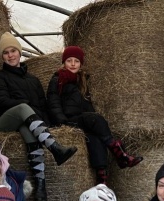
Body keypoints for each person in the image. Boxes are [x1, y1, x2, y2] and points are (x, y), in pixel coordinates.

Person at [0, 32, 78, 201]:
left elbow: (43, 105)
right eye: (6, 52)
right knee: (24, 108)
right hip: (7, 121)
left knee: (31, 134)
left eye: (13, 51)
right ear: (2, 56)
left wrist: (46, 126)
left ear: (19, 52)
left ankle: (40, 186)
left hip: (26, 123)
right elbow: (1, 101)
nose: (10, 55)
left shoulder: (33, 80)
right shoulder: (0, 77)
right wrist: (23, 102)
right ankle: (55, 148)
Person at [47, 46, 143, 185]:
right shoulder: (58, 79)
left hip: (80, 120)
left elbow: (87, 106)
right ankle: (119, 153)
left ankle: (101, 179)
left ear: (81, 64)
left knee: (96, 138)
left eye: (76, 61)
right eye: (69, 61)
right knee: (96, 119)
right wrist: (62, 122)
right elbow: (53, 102)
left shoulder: (82, 81)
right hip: (66, 121)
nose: (73, 64)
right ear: (64, 63)